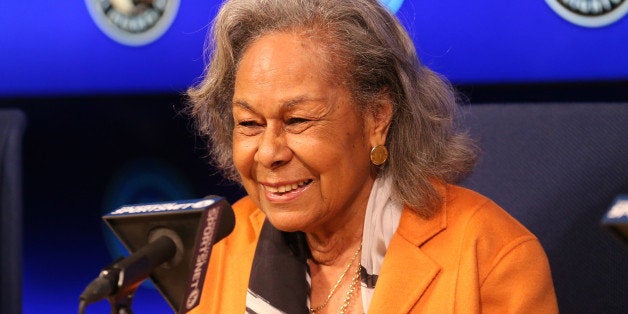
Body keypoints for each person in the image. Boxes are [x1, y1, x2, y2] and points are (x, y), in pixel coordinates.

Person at [186, 0, 558, 313]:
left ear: (377, 117)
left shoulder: (490, 256)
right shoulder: (216, 250)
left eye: (297, 120)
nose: (269, 152)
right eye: (249, 123)